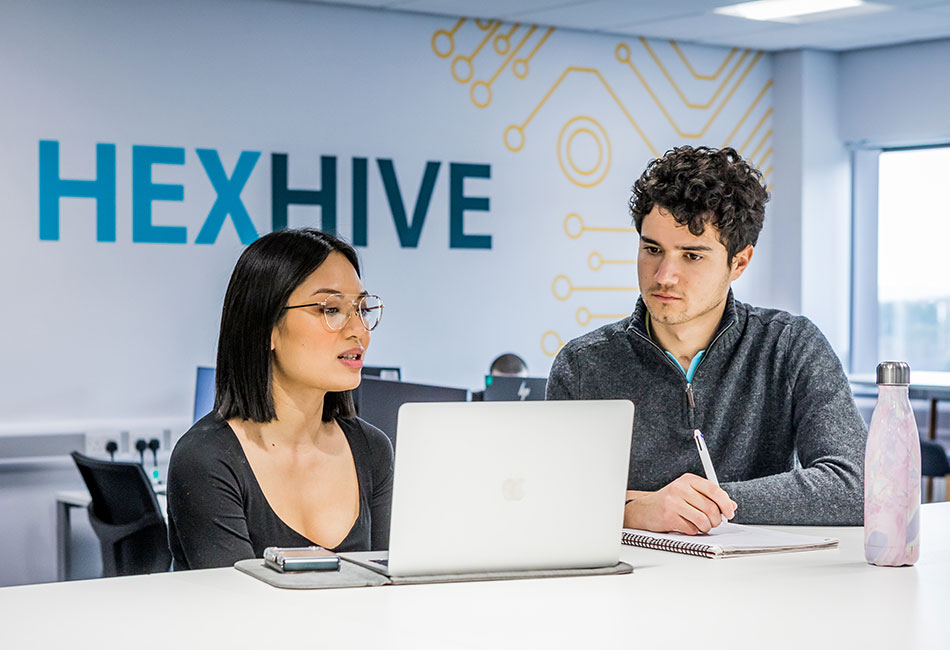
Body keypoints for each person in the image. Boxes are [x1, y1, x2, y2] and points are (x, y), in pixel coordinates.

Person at [546, 146, 865, 533]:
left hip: (763, 584)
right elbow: (552, 498)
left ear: (740, 262)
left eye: (692, 256)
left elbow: (858, 487)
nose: (664, 275)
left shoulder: (789, 346)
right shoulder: (583, 365)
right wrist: (634, 511)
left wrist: (702, 504)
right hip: (629, 585)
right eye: (652, 249)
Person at [167, 228, 393, 569]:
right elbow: (236, 610)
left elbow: (390, 588)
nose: (358, 330)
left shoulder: (372, 449)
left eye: (361, 308)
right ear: (266, 326)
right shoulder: (207, 459)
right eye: (331, 309)